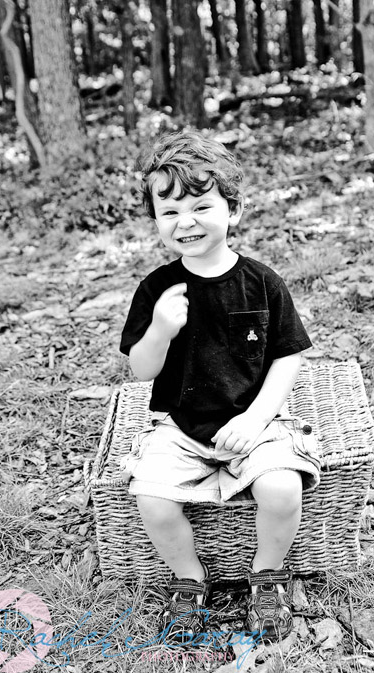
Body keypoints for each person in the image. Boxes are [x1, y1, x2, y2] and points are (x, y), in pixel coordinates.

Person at [119, 130, 320, 644]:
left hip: (255, 421)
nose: (185, 222)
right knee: (153, 500)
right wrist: (160, 330)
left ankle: (268, 574)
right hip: (182, 426)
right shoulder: (156, 290)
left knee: (282, 488)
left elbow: (288, 355)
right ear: (156, 222)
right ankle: (188, 578)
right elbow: (141, 370)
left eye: (201, 206)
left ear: (234, 209)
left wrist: (256, 420)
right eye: (169, 212)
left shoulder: (262, 283)